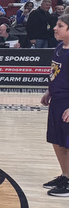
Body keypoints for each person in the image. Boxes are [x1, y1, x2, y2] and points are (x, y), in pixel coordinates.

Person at [42, 14, 69, 196]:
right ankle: (65, 175)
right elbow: (55, 73)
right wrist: (49, 91)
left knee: (68, 143)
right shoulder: (60, 47)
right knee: (57, 141)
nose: (55, 28)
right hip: (56, 100)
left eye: (60, 25)